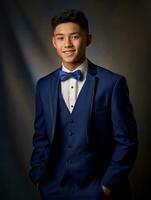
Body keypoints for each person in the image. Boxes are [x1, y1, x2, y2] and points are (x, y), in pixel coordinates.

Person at [29, 9, 138, 200]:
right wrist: (39, 177)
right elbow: (41, 136)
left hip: (97, 187)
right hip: (54, 187)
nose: (67, 44)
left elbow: (127, 141)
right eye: (61, 38)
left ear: (88, 39)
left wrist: (107, 185)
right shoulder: (43, 85)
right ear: (54, 42)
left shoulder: (112, 84)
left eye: (75, 37)